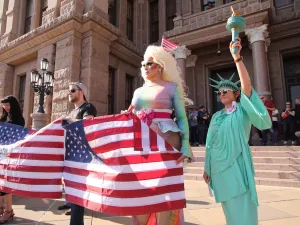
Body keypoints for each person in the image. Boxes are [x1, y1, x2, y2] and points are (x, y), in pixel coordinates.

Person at [203, 37, 272, 225]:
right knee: (230, 212)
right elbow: (210, 143)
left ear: (236, 94)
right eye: (220, 92)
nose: (222, 93)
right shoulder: (216, 116)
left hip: (236, 166)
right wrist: (207, 167)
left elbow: (247, 87)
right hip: (218, 169)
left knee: (242, 208)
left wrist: (237, 58)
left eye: (227, 90)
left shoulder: (242, 110)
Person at [128, 45, 194, 225]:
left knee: (165, 191)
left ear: (160, 66)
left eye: (150, 63)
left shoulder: (172, 87)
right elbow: (130, 116)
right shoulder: (138, 92)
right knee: (141, 190)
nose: (145, 67)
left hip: (167, 140)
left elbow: (181, 117)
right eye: (143, 64)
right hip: (141, 143)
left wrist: (186, 144)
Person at [62, 82, 97, 225]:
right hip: (71, 156)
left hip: (82, 157)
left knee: (78, 196)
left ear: (81, 92)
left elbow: (87, 124)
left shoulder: (88, 107)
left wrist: (66, 121)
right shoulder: (71, 112)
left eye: (72, 90)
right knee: (74, 195)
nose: (69, 93)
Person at [0, 96, 25, 223]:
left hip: (9, 155)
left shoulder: (18, 119)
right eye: (4, 105)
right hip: (0, 154)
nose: (5, 108)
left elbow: (18, 137)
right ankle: (1, 209)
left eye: (8, 105)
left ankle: (8, 211)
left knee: (5, 185)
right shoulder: (3, 118)